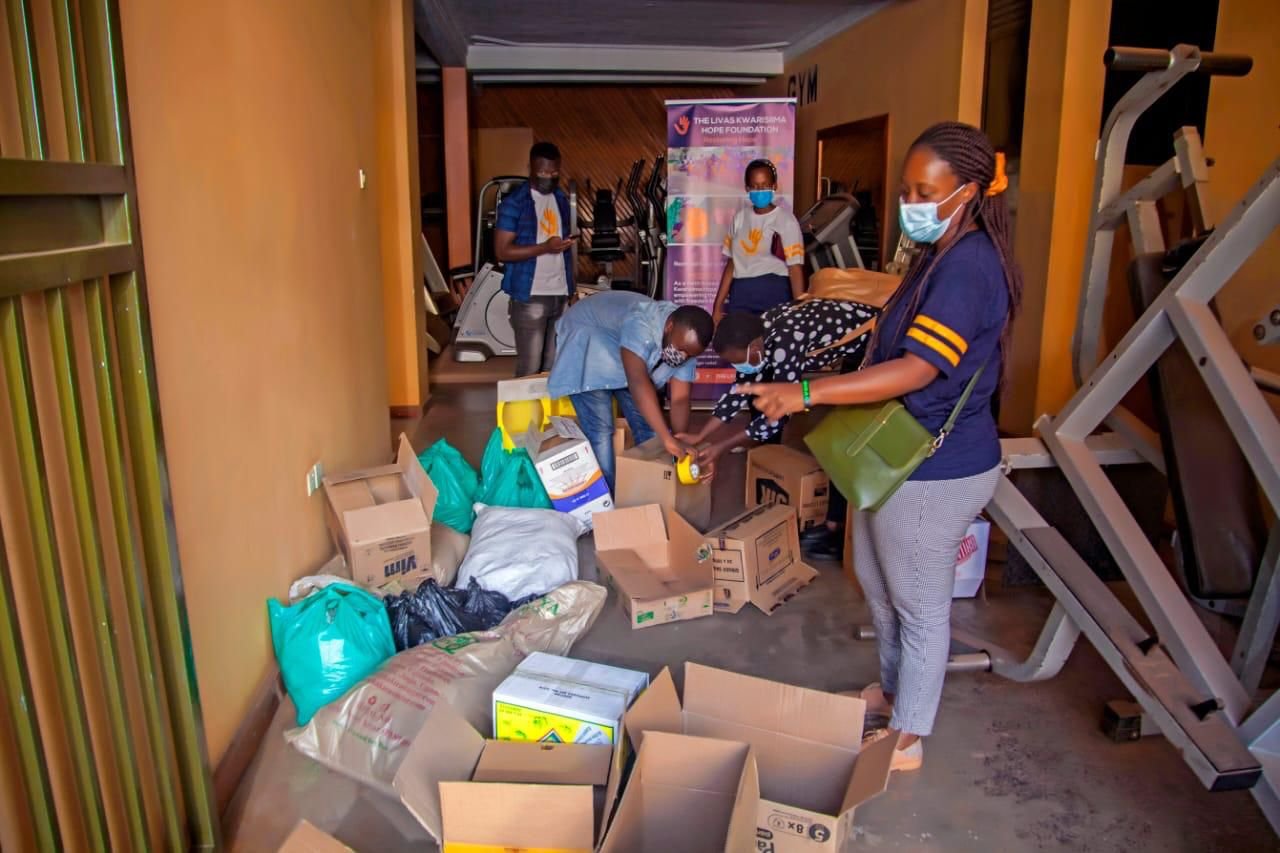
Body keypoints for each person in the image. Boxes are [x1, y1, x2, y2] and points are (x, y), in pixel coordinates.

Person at [735, 121, 1019, 773]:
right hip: (893, 456)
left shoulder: (971, 264)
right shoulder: (938, 252)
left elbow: (920, 370)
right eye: (905, 189)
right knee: (879, 584)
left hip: (933, 465)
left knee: (918, 603)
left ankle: (909, 736)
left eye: (926, 190)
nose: (911, 201)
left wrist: (806, 391)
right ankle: (893, 693)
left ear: (968, 192)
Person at [677, 301, 877, 476]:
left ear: (755, 348)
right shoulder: (757, 332)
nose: (739, 368)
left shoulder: (787, 340)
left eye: (739, 362)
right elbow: (738, 391)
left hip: (874, 342)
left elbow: (780, 413)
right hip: (855, 348)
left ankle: (838, 512)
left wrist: (721, 446)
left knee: (850, 430)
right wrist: (701, 435)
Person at [547, 290, 713, 491]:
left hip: (620, 351)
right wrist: (667, 438)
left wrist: (679, 439)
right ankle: (608, 503)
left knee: (651, 428)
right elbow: (637, 382)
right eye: (680, 349)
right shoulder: (642, 322)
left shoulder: (687, 345)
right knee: (601, 431)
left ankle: (653, 491)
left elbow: (680, 399)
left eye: (689, 354)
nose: (682, 356)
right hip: (587, 338)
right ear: (669, 327)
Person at [494, 141, 576, 376]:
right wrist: (545, 248)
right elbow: (502, 251)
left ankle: (548, 414)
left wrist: (571, 289)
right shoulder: (514, 204)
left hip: (560, 294)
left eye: (554, 173)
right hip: (530, 295)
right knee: (529, 368)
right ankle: (525, 414)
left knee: (553, 368)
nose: (548, 177)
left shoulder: (560, 199)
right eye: (542, 172)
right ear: (529, 168)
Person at [711, 159, 805, 324]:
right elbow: (732, 264)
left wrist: (800, 310)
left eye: (764, 185)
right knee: (738, 345)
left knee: (772, 346)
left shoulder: (786, 220)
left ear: (774, 186)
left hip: (775, 293)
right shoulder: (740, 218)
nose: (759, 190)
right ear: (747, 188)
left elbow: (795, 268)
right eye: (755, 186)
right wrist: (717, 306)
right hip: (741, 295)